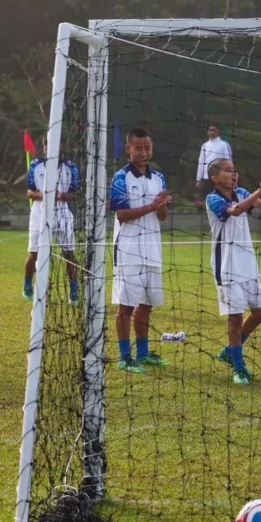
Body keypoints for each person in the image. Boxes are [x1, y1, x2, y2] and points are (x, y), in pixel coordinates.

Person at [206, 159, 261, 385]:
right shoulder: (213, 198)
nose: (234, 174)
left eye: (235, 170)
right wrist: (258, 192)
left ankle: (229, 351)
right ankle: (238, 367)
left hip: (248, 264)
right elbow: (235, 211)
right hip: (227, 266)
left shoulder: (242, 193)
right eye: (228, 170)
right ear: (215, 178)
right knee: (235, 317)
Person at [110, 128, 172, 374]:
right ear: (129, 149)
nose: (144, 152)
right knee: (126, 306)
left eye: (147, 147)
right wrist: (151, 206)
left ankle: (143, 354)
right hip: (128, 250)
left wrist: (162, 206)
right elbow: (122, 214)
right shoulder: (121, 177)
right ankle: (125, 357)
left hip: (152, 249)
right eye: (138, 148)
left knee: (147, 304)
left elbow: (162, 217)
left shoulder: (158, 177)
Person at [23, 137, 80, 305]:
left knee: (69, 253)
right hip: (39, 211)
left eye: (56, 144)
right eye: (48, 145)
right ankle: (28, 284)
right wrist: (46, 195)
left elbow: (75, 194)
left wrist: (62, 196)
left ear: (61, 146)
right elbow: (30, 192)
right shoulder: (35, 165)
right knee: (34, 253)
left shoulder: (71, 167)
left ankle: (74, 290)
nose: (52, 148)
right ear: (44, 147)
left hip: (63, 211)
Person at [195, 125, 233, 199]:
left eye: (214, 130)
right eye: (210, 130)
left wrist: (229, 175)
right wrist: (198, 179)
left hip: (220, 176)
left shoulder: (224, 145)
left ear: (218, 132)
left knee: (221, 197)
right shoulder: (205, 145)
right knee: (207, 197)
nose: (212, 132)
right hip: (206, 177)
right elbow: (201, 162)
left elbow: (228, 160)